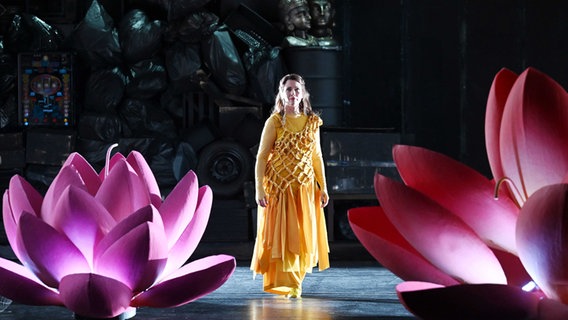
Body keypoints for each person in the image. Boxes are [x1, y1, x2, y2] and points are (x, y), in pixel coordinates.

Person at [250, 73, 330, 298]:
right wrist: (259, 189)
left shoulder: (312, 122)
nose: (293, 93)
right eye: (288, 90)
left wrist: (323, 186)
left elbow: (317, 157)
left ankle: (297, 281)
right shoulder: (274, 121)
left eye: (296, 89)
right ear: (281, 94)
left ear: (303, 93)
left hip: (303, 189)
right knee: (283, 237)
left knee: (302, 237)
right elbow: (262, 157)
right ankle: (291, 283)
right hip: (279, 189)